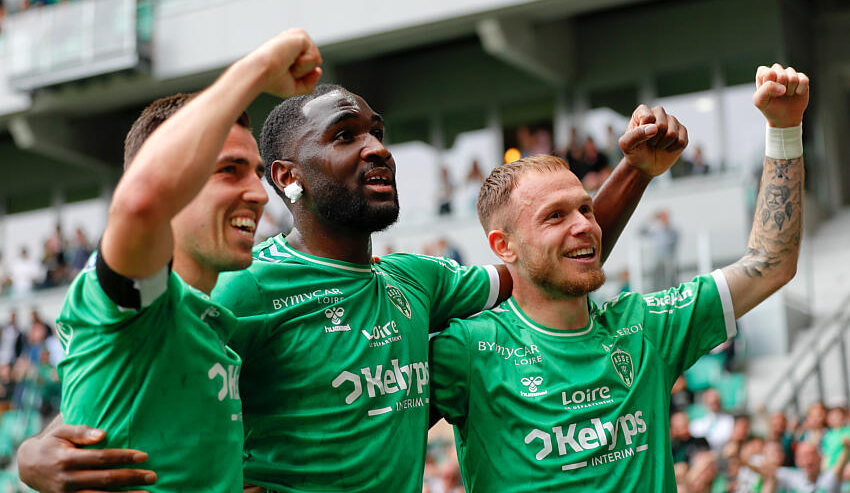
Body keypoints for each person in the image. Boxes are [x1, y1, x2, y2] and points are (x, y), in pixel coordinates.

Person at [19, 90, 687, 491]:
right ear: (287, 175)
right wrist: (35, 452)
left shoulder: (415, 280)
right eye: (346, 135)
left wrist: (636, 171)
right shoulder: (247, 289)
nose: (377, 148)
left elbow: (549, 259)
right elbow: (138, 369)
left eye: (377, 132)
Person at [428, 64, 807, 491]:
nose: (585, 226)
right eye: (555, 216)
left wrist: (784, 127)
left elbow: (772, 262)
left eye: (586, 209)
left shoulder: (644, 326)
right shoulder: (466, 349)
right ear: (503, 246)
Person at [17, 28, 322, 492]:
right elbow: (140, 202)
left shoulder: (211, 320)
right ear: (173, 182)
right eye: (228, 170)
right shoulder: (141, 298)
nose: (260, 194)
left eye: (258, 173)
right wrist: (259, 67)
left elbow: (117, 385)